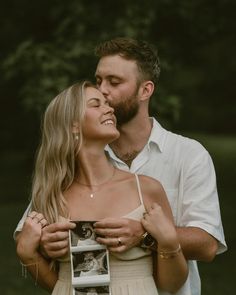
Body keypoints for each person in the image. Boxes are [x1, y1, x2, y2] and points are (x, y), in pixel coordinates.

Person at [15, 37, 227, 294]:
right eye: (99, 81)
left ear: (145, 90)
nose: (103, 89)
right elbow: (30, 234)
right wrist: (45, 245)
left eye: (114, 82)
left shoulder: (188, 155)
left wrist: (144, 235)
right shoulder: (69, 171)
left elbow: (207, 245)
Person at [15, 81, 188, 294]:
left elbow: (170, 285)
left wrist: (168, 241)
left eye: (107, 104)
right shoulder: (50, 197)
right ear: (73, 125)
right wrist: (27, 253)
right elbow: (58, 286)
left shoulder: (146, 189)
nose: (109, 109)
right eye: (96, 104)